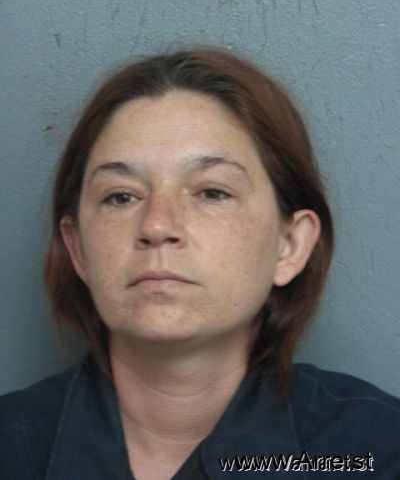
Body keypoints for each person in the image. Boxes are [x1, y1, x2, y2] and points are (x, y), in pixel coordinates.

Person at [0, 48, 399, 480]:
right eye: (121, 196)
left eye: (212, 192)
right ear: (77, 248)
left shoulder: (377, 451)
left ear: (289, 245)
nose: (157, 225)